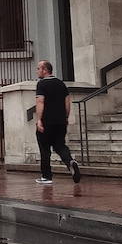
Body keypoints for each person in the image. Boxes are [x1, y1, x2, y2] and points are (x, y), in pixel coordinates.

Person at [34, 59, 81, 187]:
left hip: (47, 121)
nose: (37, 71)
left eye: (38, 68)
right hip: (61, 121)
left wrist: (39, 120)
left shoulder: (42, 84)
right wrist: (65, 117)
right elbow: (67, 102)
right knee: (60, 145)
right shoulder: (61, 84)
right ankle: (70, 161)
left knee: (44, 149)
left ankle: (46, 176)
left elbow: (40, 102)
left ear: (45, 70)